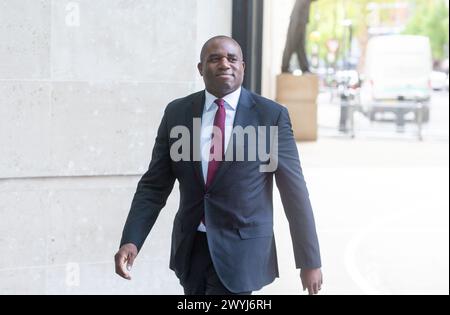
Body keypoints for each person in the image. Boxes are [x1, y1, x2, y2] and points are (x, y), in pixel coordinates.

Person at [114, 35, 322, 295]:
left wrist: (309, 260)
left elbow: (294, 192)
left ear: (242, 67)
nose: (224, 64)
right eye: (214, 59)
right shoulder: (177, 113)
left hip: (242, 253)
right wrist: (131, 240)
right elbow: (153, 187)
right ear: (201, 69)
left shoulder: (271, 116)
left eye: (232, 58)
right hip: (191, 250)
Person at [281, 0, 317, 73]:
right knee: (291, 44)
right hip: (297, 21)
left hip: (300, 20)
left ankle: (304, 67)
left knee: (300, 46)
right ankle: (285, 66)